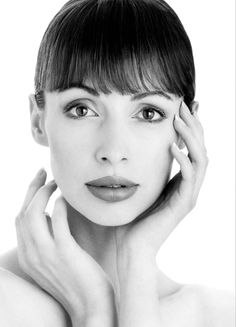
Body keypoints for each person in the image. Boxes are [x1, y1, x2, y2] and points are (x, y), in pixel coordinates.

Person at [0, 0, 234, 326]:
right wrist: (93, 306)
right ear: (39, 120)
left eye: (148, 113)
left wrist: (136, 259)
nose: (113, 150)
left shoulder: (219, 314)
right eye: (82, 109)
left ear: (187, 128)